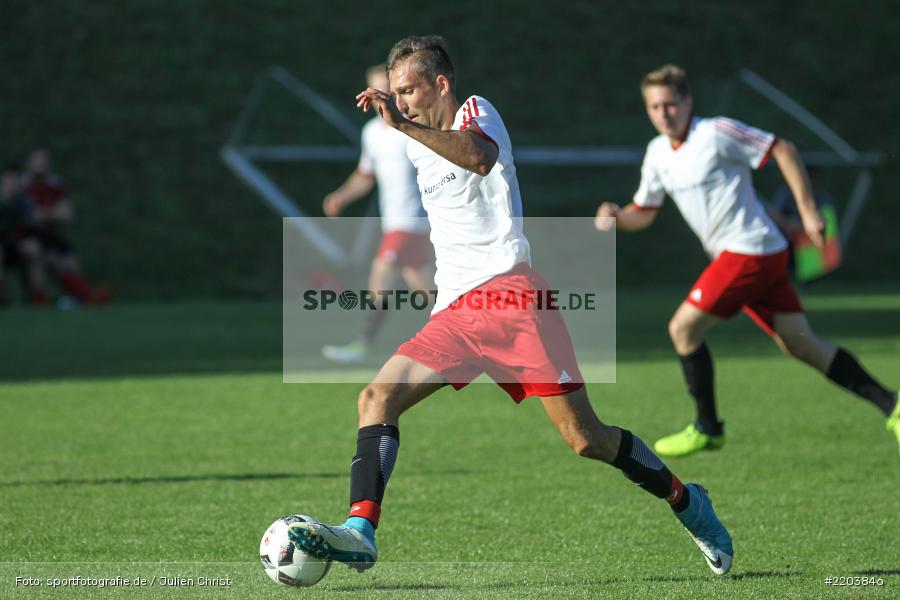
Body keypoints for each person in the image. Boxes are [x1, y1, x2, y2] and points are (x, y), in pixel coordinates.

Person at [287, 37, 733, 576]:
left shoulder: (477, 112)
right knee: (376, 397)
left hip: (514, 299)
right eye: (396, 94)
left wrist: (404, 125)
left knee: (587, 440)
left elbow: (479, 158)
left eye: (408, 90)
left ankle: (688, 503)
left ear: (441, 85)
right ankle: (360, 530)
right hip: (454, 312)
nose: (400, 102)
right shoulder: (412, 142)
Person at [595, 65, 899, 458]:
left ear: (688, 102)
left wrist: (807, 212)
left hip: (751, 250)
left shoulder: (716, 132)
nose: (664, 113)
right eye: (655, 107)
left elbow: (783, 148)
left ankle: (708, 428)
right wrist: (617, 216)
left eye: (671, 103)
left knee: (683, 329)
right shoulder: (657, 154)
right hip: (752, 256)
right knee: (803, 345)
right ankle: (892, 405)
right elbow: (645, 210)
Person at [321, 65, 432, 364]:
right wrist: (342, 196)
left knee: (380, 274)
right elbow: (365, 175)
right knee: (428, 290)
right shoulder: (371, 133)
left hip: (414, 222)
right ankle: (478, 334)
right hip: (393, 222)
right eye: (374, 90)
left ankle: (362, 343)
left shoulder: (414, 128)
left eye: (386, 89)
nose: (379, 96)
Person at [21, 148, 110, 305]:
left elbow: (67, 215)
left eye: (44, 162)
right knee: (39, 254)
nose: (41, 165)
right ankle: (41, 300)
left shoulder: (54, 185)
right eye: (37, 162)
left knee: (72, 262)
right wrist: (49, 213)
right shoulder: (23, 186)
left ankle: (82, 296)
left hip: (50, 235)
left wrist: (41, 214)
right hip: (28, 235)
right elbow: (27, 216)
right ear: (28, 164)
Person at [0, 163, 48, 305]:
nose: (11, 186)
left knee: (34, 249)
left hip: (18, 244)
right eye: (8, 182)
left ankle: (38, 298)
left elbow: (31, 227)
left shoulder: (25, 202)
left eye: (14, 182)